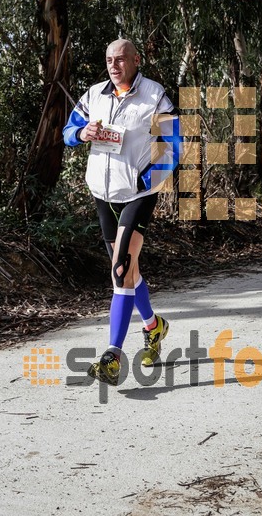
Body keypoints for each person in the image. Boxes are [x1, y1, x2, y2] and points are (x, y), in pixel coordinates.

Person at [63, 39, 179, 386]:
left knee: (119, 270)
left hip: (138, 193)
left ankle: (112, 355)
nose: (114, 65)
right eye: (109, 59)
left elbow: (175, 145)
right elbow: (68, 132)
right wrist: (82, 132)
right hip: (103, 193)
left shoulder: (154, 94)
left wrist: (149, 178)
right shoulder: (93, 94)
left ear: (135, 60)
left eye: (121, 59)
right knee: (130, 270)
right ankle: (153, 326)